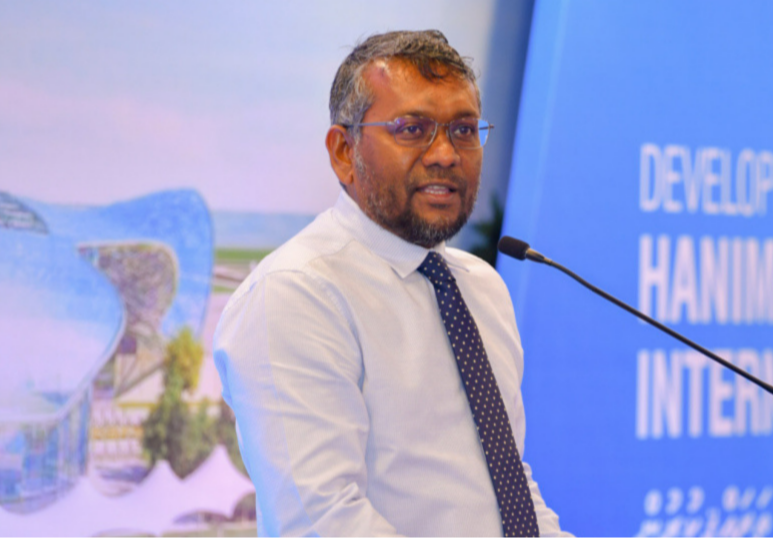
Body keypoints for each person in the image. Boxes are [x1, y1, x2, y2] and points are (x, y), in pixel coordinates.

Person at [214, 30, 574, 538]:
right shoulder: (295, 294)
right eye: (412, 129)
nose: (445, 153)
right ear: (344, 151)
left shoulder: (481, 287)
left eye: (464, 130)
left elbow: (505, 486)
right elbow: (324, 521)